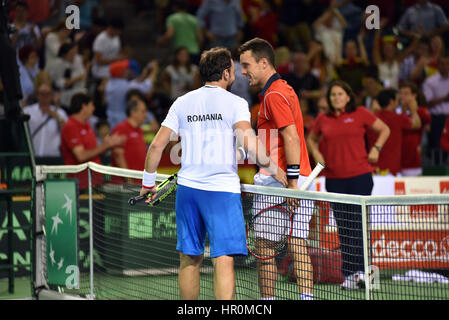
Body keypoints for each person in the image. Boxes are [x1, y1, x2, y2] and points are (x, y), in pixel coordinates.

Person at [139, 47, 286, 300]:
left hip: (188, 191)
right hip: (220, 194)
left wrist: (148, 183)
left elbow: (156, 145)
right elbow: (249, 143)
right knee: (223, 259)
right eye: (234, 68)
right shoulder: (236, 103)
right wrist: (275, 169)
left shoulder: (182, 101)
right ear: (226, 72)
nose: (238, 72)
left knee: (189, 258)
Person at [239, 37, 314, 300]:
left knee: (264, 247)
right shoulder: (285, 89)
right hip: (298, 177)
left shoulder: (273, 95)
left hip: (281, 181)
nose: (243, 72)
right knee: (298, 243)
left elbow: (291, 137)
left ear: (263, 63)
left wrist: (291, 184)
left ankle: (267, 302)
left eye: (246, 65)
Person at [307, 80, 390, 290]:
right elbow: (312, 139)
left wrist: (376, 149)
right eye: (333, 94)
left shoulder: (361, 113)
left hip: (360, 177)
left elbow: (384, 130)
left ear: (348, 96)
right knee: (343, 229)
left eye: (340, 94)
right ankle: (349, 275)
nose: (336, 97)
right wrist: (318, 155)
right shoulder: (322, 119)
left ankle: (364, 273)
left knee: (358, 226)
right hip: (334, 180)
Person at [61, 93, 125, 189]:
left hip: (94, 182)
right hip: (80, 185)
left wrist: (109, 144)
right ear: (84, 106)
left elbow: (94, 152)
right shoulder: (71, 126)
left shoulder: (87, 125)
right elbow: (81, 156)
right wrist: (105, 146)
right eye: (91, 105)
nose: (94, 108)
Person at [367, 88, 421, 176]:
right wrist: (413, 110)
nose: (399, 103)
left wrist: (372, 110)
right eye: (398, 100)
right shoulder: (397, 118)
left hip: (372, 169)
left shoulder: (371, 119)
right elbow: (417, 124)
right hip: (391, 170)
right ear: (392, 102)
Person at [23, 83, 68, 158]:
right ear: (37, 95)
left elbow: (67, 132)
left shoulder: (60, 113)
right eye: (42, 94)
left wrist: (58, 117)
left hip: (53, 156)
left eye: (47, 94)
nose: (45, 96)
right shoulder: (28, 111)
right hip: (32, 156)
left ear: (51, 95)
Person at [399, 82, 432, 176]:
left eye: (406, 93)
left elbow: (427, 118)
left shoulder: (421, 111)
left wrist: (413, 110)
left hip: (413, 160)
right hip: (398, 161)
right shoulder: (397, 112)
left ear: (414, 96)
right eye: (401, 93)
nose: (402, 96)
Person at [157, 0, 203, 64]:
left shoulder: (172, 18)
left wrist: (161, 41)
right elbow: (200, 38)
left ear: (175, 7)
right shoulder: (194, 19)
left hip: (179, 53)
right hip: (194, 51)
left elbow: (169, 34)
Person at [422, 56, 449, 162]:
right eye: (442, 64)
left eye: (447, 63)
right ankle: (438, 170)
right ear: (438, 66)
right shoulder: (430, 81)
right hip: (437, 118)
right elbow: (426, 102)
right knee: (437, 145)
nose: (446, 66)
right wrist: (444, 98)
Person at [47, 43, 87, 113]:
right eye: (70, 54)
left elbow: (83, 75)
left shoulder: (78, 59)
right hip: (65, 94)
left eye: (74, 53)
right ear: (63, 55)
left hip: (80, 90)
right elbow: (62, 83)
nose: (73, 56)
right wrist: (76, 79)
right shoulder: (57, 64)